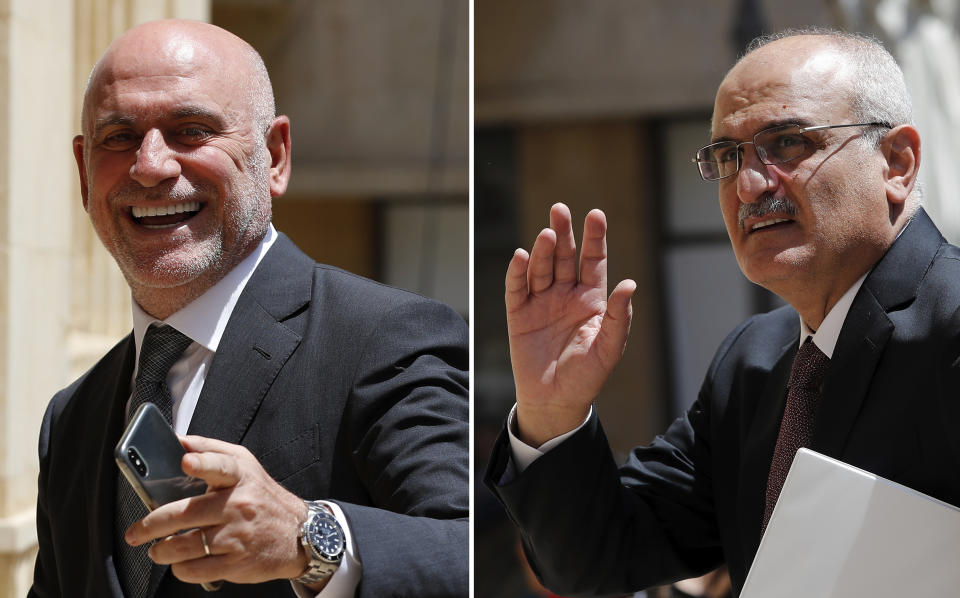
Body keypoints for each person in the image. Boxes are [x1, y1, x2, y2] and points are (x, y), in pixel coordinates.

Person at [484, 28, 960, 596]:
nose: (752, 185)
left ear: (896, 162)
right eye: (727, 156)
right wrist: (552, 411)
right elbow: (597, 559)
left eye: (787, 143)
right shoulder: (752, 363)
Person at [30, 19, 468, 598]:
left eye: (191, 130)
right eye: (119, 136)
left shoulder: (383, 340)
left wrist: (307, 539)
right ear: (84, 172)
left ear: (275, 157)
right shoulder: (73, 416)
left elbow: (467, 555)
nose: (151, 165)